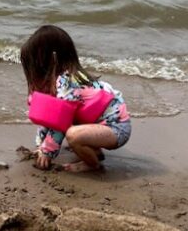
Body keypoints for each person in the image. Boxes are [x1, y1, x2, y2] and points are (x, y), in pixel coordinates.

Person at [20, 25, 131, 173]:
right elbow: (49, 118)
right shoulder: (54, 82)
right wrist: (40, 146)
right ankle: (94, 150)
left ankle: (93, 165)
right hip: (100, 127)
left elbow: (59, 124)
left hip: (116, 128)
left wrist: (47, 152)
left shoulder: (67, 82)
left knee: (73, 135)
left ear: (51, 59)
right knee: (72, 131)